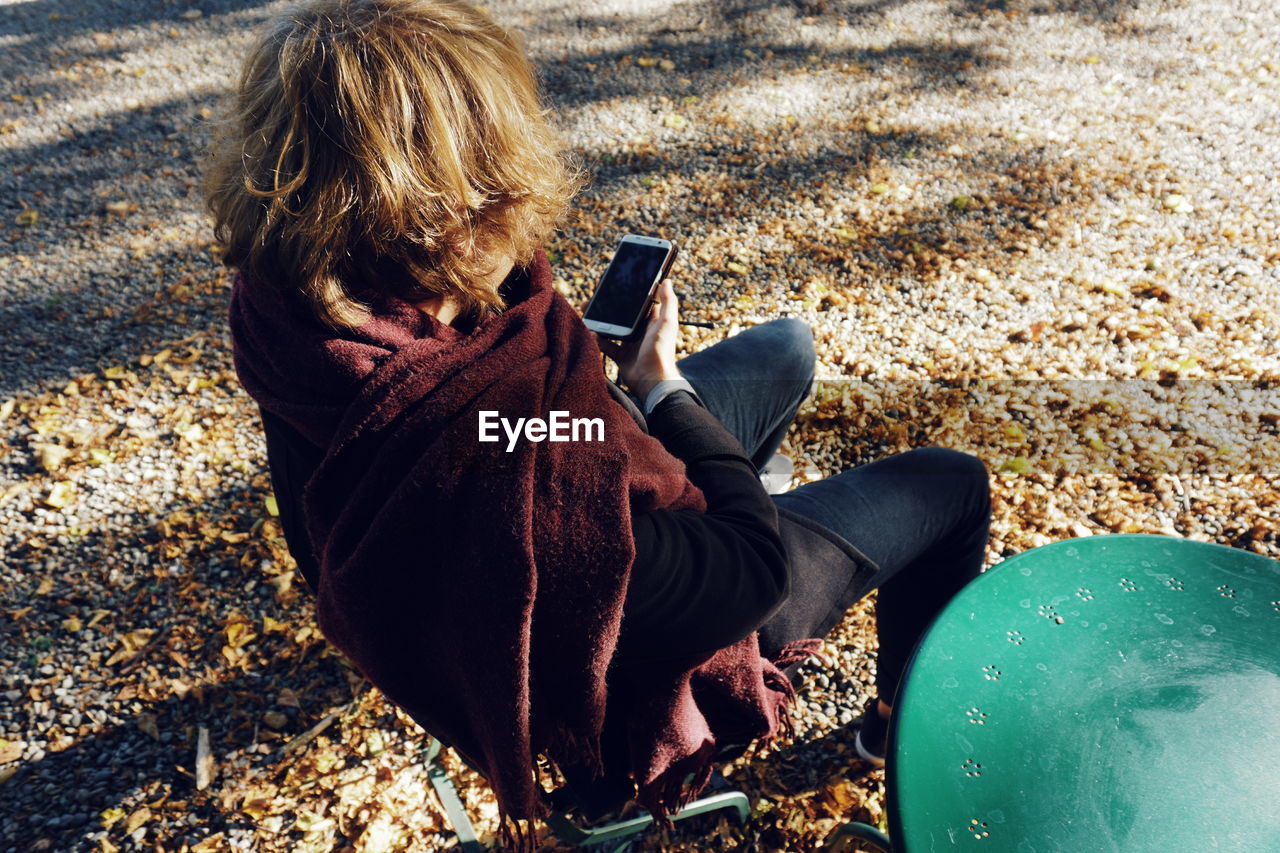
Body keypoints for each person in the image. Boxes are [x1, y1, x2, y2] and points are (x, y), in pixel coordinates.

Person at [207, 0, 991, 844]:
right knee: (953, 484)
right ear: (453, 208)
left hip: (531, 491)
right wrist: (660, 389)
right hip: (607, 621)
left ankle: (728, 482)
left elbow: (529, 417)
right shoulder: (525, 493)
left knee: (787, 351)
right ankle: (888, 720)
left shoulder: (294, 319)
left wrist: (609, 395)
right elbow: (751, 568)